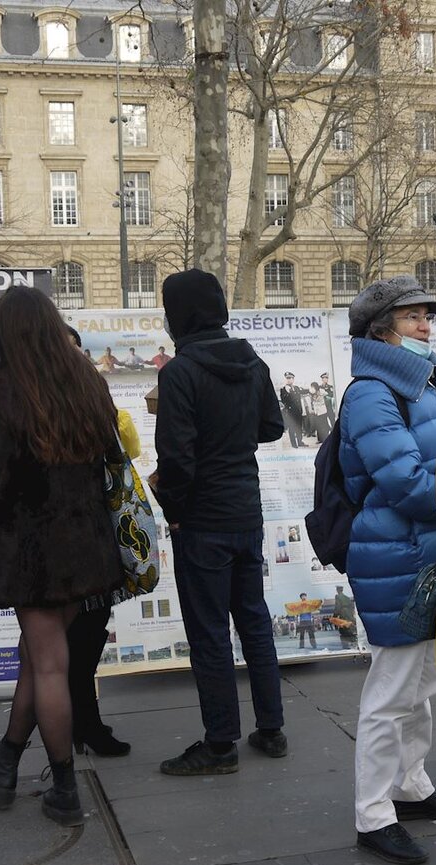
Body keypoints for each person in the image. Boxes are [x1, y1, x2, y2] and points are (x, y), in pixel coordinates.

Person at [0, 286, 126, 828]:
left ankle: (66, 787)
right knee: (38, 654)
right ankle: (3, 762)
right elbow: (111, 458)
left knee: (46, 662)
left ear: (1, 334)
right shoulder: (87, 380)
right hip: (87, 542)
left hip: (34, 549)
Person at [154, 268, 289, 775]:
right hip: (245, 511)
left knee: (209, 631)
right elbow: (272, 427)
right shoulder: (251, 361)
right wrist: (234, 438)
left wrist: (176, 511)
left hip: (203, 519)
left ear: (178, 316)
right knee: (253, 619)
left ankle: (219, 743)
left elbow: (177, 458)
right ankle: (271, 728)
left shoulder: (180, 372)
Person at [341, 274, 436, 865]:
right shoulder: (372, 391)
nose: (425, 327)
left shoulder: (417, 385)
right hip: (398, 555)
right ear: (381, 331)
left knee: (422, 684)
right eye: (413, 318)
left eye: (426, 317)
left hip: (427, 552)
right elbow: (407, 483)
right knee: (391, 690)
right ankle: (373, 813)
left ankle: (410, 785)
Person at [65, 326, 136, 757]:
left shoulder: (93, 400)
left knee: (89, 635)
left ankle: (84, 723)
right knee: (58, 646)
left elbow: (127, 449)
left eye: (76, 350)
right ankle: (72, 725)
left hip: (94, 532)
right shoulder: (32, 404)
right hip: (62, 542)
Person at [278, 372, 305, 448]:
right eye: (287, 378)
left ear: (293, 379)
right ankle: (294, 444)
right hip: (290, 412)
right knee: (292, 428)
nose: (289, 380)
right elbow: (284, 400)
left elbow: (302, 393)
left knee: (299, 427)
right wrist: (289, 391)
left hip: (298, 411)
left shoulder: (296, 388)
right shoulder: (283, 389)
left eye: (291, 378)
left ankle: (300, 442)